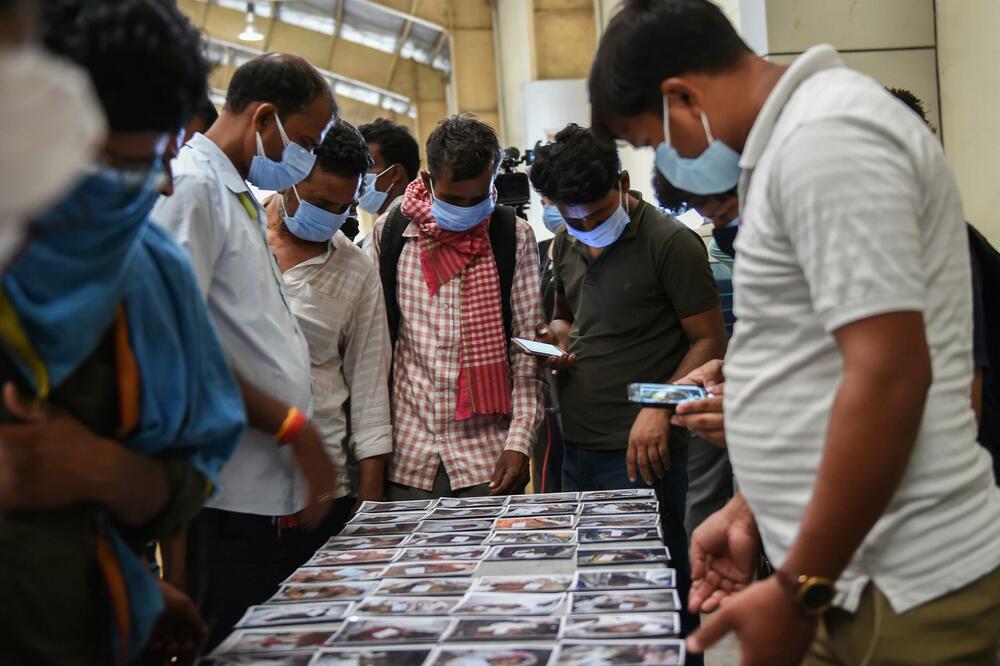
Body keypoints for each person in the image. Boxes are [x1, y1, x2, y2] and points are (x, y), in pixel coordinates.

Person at [589, 1, 1000, 663]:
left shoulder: (828, 140)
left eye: (653, 142)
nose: (665, 162)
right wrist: (753, 508)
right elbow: (829, 362)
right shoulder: (795, 149)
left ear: (682, 98)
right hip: (840, 569)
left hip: (896, 583)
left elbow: (890, 377)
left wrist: (798, 588)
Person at [0, 2, 246, 664]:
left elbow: (186, 473)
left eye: (158, 159)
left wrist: (107, 474)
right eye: (120, 166)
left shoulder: (148, 274)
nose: (159, 188)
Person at [152, 53, 338, 651]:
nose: (304, 157)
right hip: (226, 492)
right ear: (262, 118)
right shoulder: (193, 188)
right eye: (303, 139)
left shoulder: (238, 194)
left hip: (264, 488)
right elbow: (176, 345)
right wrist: (290, 426)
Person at [528, 123, 725, 647]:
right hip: (578, 448)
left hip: (645, 455)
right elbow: (569, 315)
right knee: (594, 593)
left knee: (659, 591)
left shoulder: (670, 244)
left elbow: (709, 343)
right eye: (573, 217)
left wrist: (659, 406)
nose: (588, 226)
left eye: (597, 212)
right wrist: (559, 342)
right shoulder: (566, 244)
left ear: (620, 180)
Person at [366, 113, 544, 500]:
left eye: (478, 199)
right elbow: (376, 352)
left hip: (488, 460)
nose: (466, 210)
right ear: (428, 182)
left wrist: (519, 442)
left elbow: (526, 353)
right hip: (408, 460)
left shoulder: (512, 237)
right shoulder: (391, 233)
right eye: (453, 199)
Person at [265, 118, 393, 545]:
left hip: (324, 486)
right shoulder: (237, 234)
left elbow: (369, 383)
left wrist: (369, 490)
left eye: (343, 207)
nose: (331, 217)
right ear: (288, 180)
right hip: (236, 485)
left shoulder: (356, 270)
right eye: (320, 202)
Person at [357, 117, 421, 218]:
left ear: (395, 173)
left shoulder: (417, 225)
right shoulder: (384, 226)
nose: (357, 176)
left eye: (367, 167)